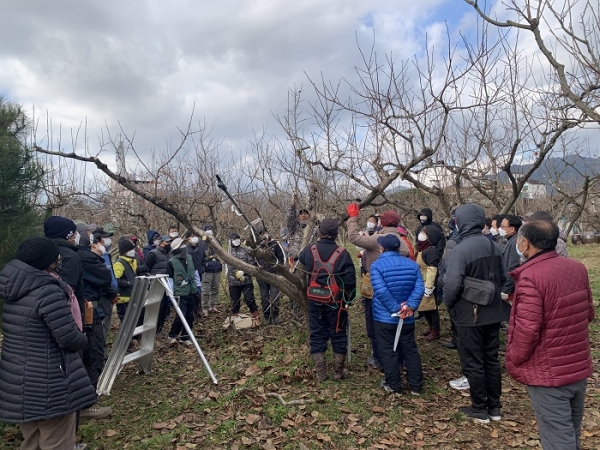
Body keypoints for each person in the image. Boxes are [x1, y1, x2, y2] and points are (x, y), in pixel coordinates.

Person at [0, 237, 96, 449]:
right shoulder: (47, 290)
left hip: (18, 381)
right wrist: (85, 334)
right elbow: (68, 337)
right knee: (57, 440)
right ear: (48, 261)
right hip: (49, 381)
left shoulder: (14, 289)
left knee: (32, 440)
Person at [506, 220, 594, 450]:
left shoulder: (530, 278)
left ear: (525, 243)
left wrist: (513, 359)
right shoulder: (577, 268)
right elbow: (589, 313)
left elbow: (527, 330)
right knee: (570, 431)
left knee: (557, 437)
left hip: (548, 372)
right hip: (576, 364)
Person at [443, 204, 505, 424]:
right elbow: (503, 278)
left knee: (473, 361)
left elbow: (451, 284)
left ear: (461, 221)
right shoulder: (493, 246)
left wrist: (449, 304)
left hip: (470, 314)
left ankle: (479, 409)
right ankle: (495, 408)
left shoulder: (461, 249)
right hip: (493, 312)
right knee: (491, 359)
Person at [346, 204, 409, 371]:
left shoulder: (378, 240)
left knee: (375, 326)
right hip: (399, 290)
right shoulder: (403, 241)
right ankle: (399, 360)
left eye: (381, 219)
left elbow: (353, 238)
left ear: (384, 222)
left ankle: (379, 359)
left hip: (377, 289)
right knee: (397, 324)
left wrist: (353, 217)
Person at [299, 218, 356, 382]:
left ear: (319, 233)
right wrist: (348, 299)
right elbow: (351, 281)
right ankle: (338, 372)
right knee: (338, 333)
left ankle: (321, 373)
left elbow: (301, 259)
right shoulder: (343, 254)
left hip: (314, 300)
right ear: (336, 234)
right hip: (336, 303)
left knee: (317, 333)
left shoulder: (310, 250)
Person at [370, 234, 425, 394]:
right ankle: (416, 385)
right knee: (410, 349)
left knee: (387, 351)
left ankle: (394, 384)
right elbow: (419, 287)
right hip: (406, 317)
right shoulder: (412, 265)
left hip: (384, 317)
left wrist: (396, 309)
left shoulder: (377, 266)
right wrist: (410, 306)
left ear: (382, 248)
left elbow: (381, 291)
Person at [78, 233, 118, 420]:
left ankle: (85, 402)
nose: (103, 244)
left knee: (92, 354)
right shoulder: (84, 259)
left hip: (91, 308)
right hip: (88, 310)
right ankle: (87, 404)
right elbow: (103, 277)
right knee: (93, 355)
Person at [44, 216, 86, 324]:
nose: (77, 235)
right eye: (75, 232)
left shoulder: (43, 252)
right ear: (69, 235)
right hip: (65, 319)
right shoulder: (69, 256)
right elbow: (68, 292)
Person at [166, 238, 199, 346]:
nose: (184, 248)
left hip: (191, 291)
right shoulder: (171, 263)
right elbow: (170, 280)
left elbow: (195, 272)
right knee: (181, 315)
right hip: (180, 294)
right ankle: (172, 335)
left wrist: (198, 286)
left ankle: (185, 336)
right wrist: (170, 295)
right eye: (181, 246)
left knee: (190, 315)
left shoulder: (190, 258)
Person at [415, 225, 444, 341]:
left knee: (431, 308)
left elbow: (432, 269)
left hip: (429, 284)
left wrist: (429, 286)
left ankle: (435, 331)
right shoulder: (422, 249)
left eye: (424, 233)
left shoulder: (431, 251)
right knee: (424, 307)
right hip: (421, 281)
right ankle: (430, 326)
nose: (421, 234)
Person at [254, 225, 285, 324]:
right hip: (262, 276)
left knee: (275, 296)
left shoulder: (274, 244)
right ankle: (267, 316)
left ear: (267, 232)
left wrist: (277, 269)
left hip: (274, 275)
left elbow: (282, 258)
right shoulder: (256, 247)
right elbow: (252, 260)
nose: (263, 235)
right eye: (260, 234)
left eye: (264, 233)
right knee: (264, 297)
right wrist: (257, 269)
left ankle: (275, 315)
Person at [227, 232, 260, 323]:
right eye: (234, 239)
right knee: (235, 302)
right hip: (233, 282)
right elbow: (228, 266)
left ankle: (256, 317)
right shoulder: (228, 253)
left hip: (247, 281)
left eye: (237, 238)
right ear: (230, 241)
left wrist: (244, 272)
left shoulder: (245, 250)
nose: (236, 240)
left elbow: (251, 263)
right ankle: (235, 320)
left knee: (250, 300)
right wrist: (236, 274)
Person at [499, 215, 523, 323]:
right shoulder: (510, 240)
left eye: (502, 226)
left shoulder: (515, 243)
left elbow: (513, 268)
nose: (500, 229)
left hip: (512, 287)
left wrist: (506, 290)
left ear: (512, 228)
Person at [146, 235, 172, 331]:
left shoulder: (168, 254)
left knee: (165, 306)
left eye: (169, 242)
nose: (168, 244)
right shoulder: (153, 254)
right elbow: (147, 269)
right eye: (166, 242)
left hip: (166, 283)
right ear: (161, 242)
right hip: (155, 284)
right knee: (157, 306)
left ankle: (160, 326)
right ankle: (154, 327)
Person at [199, 223, 223, 316]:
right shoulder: (201, 243)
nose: (209, 231)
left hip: (217, 269)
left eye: (210, 229)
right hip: (207, 270)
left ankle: (213, 306)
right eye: (207, 229)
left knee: (215, 289)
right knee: (205, 290)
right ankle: (204, 307)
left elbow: (221, 253)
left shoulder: (217, 241)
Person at [186, 230, 205, 315]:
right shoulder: (186, 249)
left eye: (195, 236)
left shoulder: (200, 248)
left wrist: (203, 268)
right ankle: (192, 311)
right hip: (189, 275)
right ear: (188, 239)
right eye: (192, 236)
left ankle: (198, 310)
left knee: (199, 292)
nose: (195, 238)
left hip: (199, 273)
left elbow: (204, 259)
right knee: (192, 294)